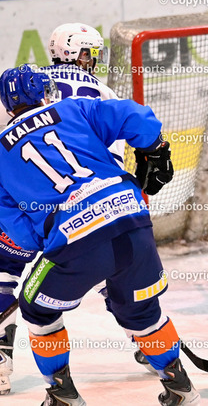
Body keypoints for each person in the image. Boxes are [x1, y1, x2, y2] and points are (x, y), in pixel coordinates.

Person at [0, 65, 198, 405]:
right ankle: (181, 387)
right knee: (141, 312)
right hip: (133, 221)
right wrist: (155, 150)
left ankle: (62, 396)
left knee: (37, 309)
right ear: (45, 92)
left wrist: (49, 236)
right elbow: (135, 116)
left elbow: (18, 230)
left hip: (75, 242)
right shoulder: (73, 107)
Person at [0, 24, 155, 395]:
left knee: (4, 270)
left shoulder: (28, 84)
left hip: (32, 207)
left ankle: (1, 362)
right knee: (114, 270)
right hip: (102, 204)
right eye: (89, 53)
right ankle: (148, 343)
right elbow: (122, 135)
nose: (91, 60)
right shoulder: (99, 92)